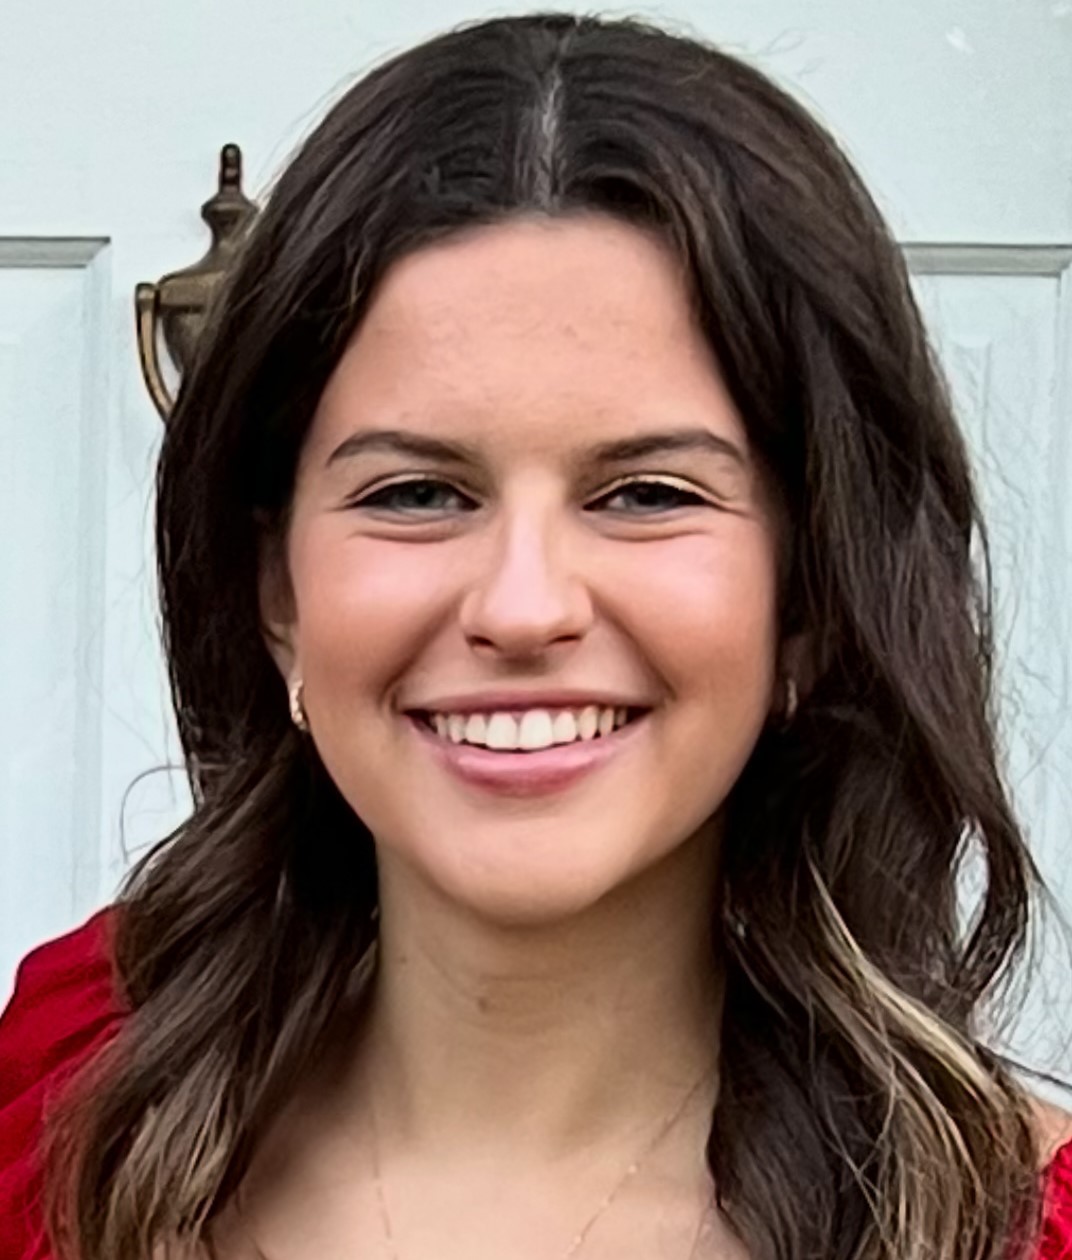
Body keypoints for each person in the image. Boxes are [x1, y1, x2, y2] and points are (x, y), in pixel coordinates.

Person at [1, 11, 1070, 1260]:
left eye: (646, 494)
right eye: (416, 493)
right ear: (276, 591)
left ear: (811, 596)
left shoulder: (1010, 1229)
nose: (520, 607)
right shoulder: (65, 1102)